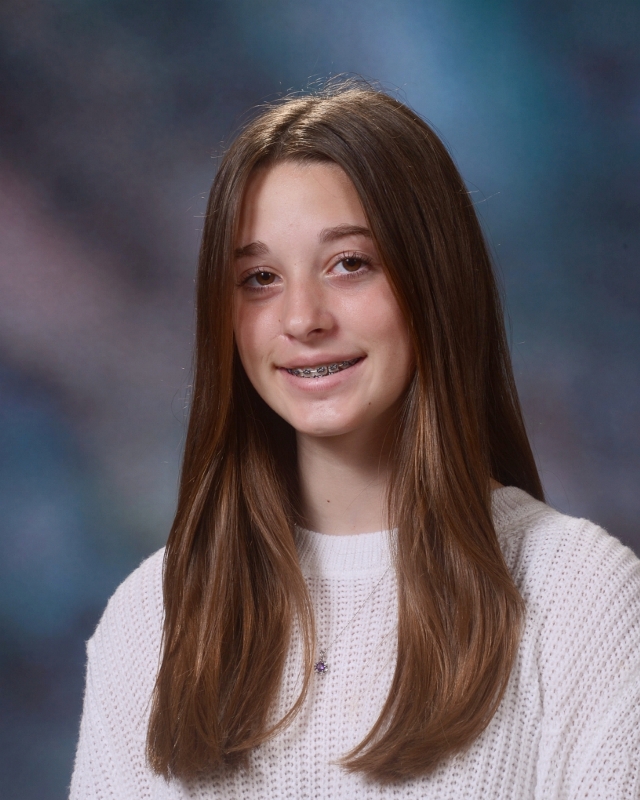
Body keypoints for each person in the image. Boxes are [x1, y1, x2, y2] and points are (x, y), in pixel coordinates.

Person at [70, 81, 640, 799]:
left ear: (435, 280)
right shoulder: (154, 616)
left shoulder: (580, 597)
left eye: (349, 264)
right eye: (259, 278)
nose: (302, 319)